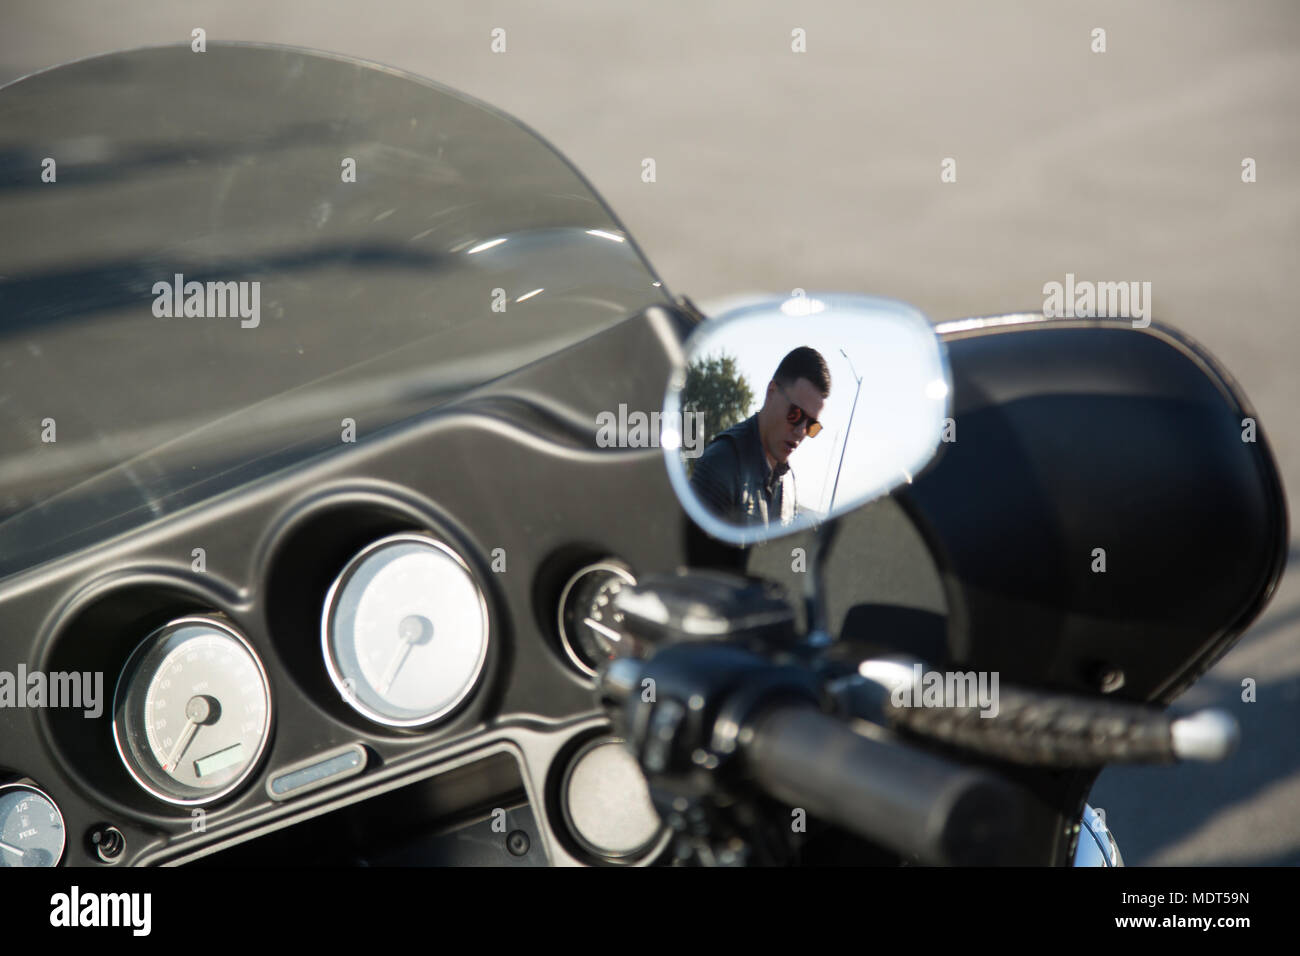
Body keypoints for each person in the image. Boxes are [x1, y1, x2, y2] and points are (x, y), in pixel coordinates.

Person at [690, 346, 830, 528]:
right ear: (771, 393)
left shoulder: (788, 482)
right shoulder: (721, 463)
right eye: (795, 414)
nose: (800, 431)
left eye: (812, 425)